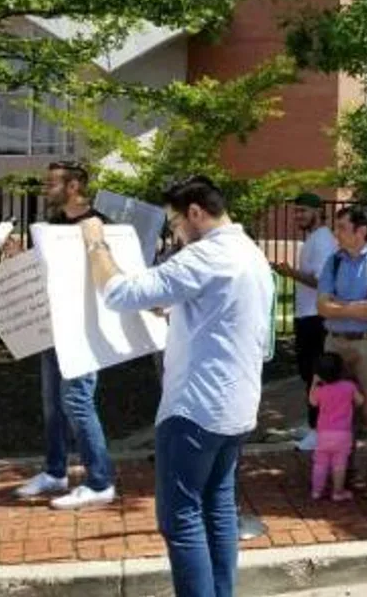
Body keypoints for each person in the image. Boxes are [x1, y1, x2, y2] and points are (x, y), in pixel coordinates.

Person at [81, 176, 274, 596]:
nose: (174, 233)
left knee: (180, 516)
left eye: (174, 223)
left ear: (195, 213)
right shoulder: (249, 253)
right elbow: (216, 313)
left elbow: (118, 292)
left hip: (194, 409)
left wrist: (96, 242)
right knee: (218, 507)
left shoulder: (203, 256)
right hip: (236, 406)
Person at [12, 161, 117, 510]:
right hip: (53, 324)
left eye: (52, 182)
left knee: (78, 402)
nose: (46, 187)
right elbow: (45, 273)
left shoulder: (99, 224)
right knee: (52, 405)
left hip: (83, 329)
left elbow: (109, 274)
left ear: (73, 187)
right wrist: (20, 258)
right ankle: (55, 472)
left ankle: (100, 481)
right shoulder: (50, 226)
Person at [317, 206, 367, 488]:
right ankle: (343, 466)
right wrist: (352, 308)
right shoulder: (333, 262)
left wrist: (338, 306)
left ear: (361, 231)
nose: (336, 234)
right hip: (335, 343)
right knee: (337, 408)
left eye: (341, 228)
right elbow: (321, 306)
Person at [271, 193, 339, 452]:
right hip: (307, 315)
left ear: (318, 212)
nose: (298, 216)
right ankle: (313, 425)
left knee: (316, 375)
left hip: (316, 316)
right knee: (308, 374)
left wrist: (290, 273)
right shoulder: (314, 239)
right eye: (296, 211)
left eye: (303, 211)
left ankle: (319, 431)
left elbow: (323, 281)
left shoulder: (322, 241)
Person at [308, 352, 363, 501]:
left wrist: (314, 382)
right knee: (339, 463)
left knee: (320, 462)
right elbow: (360, 401)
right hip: (343, 433)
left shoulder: (320, 389)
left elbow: (312, 402)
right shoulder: (349, 387)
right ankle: (338, 492)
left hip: (323, 433)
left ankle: (316, 491)